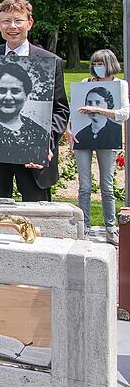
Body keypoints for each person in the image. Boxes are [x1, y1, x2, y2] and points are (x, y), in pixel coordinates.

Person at [0, 0, 69, 202]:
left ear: (29, 23)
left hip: (33, 156)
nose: (12, 26)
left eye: (18, 20)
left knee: (37, 219)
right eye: (6, 21)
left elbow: (60, 110)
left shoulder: (50, 61)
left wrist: (46, 143)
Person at [65, 49, 129, 244]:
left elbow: (124, 113)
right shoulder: (86, 84)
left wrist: (98, 110)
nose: (96, 68)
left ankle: (111, 228)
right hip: (83, 138)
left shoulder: (119, 85)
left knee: (107, 186)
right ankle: (84, 227)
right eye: (94, 64)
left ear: (110, 64)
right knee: (84, 186)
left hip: (108, 139)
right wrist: (68, 130)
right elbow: (73, 109)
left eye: (100, 64)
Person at [0, 63, 49, 164]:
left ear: (27, 95)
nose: (8, 97)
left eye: (15, 91)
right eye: (2, 90)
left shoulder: (39, 134)